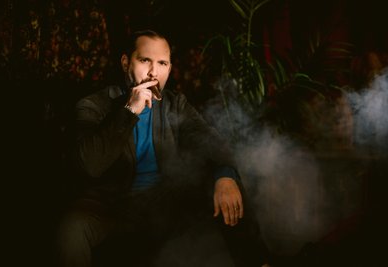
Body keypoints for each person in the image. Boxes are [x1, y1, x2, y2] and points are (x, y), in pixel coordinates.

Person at [55, 29, 270, 267]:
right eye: (145, 60)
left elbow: (212, 142)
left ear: (169, 69)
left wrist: (225, 176)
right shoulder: (93, 105)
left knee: (229, 188)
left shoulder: (175, 105)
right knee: (71, 229)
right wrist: (129, 111)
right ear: (126, 62)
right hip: (111, 205)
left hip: (164, 203)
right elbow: (90, 165)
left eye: (162, 63)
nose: (153, 71)